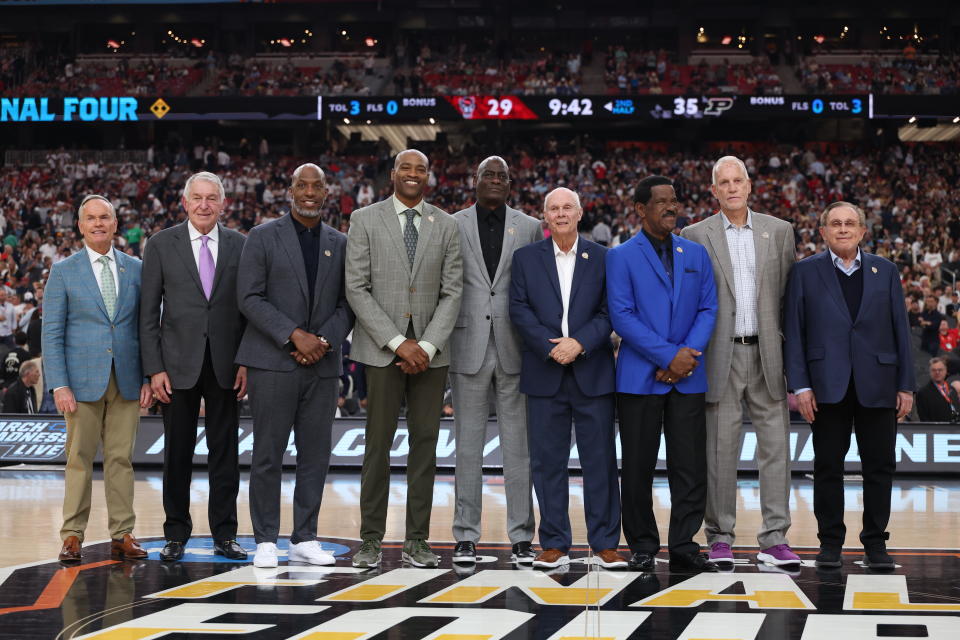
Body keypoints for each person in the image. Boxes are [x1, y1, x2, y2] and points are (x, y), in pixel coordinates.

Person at [345, 149, 463, 569]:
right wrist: (398, 342)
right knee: (376, 448)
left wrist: (426, 347)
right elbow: (356, 288)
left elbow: (453, 292)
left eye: (421, 169)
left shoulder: (447, 225)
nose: (413, 175)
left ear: (428, 176)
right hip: (381, 353)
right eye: (406, 168)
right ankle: (370, 540)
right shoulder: (364, 219)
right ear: (393, 174)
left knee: (425, 449)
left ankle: (417, 540)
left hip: (431, 355)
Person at [679, 156, 799, 567]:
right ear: (713, 190)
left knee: (776, 450)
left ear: (750, 186)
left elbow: (788, 301)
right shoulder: (694, 235)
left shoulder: (780, 232)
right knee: (719, 451)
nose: (731, 188)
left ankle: (775, 537)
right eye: (723, 182)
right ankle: (720, 537)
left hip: (768, 354)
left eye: (738, 181)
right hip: (719, 355)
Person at [784, 201, 914, 570]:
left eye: (850, 223)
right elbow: (794, 332)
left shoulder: (885, 270)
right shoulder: (804, 272)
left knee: (880, 467)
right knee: (827, 466)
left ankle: (875, 543)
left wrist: (905, 385)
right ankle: (830, 543)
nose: (843, 228)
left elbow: (900, 331)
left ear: (862, 231)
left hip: (879, 382)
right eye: (835, 223)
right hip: (825, 387)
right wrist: (801, 386)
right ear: (822, 231)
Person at [237, 163, 355, 568]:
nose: (309, 192)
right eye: (301, 185)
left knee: (315, 454)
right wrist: (293, 335)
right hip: (272, 362)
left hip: (321, 365)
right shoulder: (263, 236)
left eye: (316, 186)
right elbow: (249, 298)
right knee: (267, 453)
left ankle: (305, 536)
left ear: (327, 192)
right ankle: (265, 538)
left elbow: (349, 302)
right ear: (289, 191)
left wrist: (321, 341)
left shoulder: (341, 242)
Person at [510, 187, 625, 570]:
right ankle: (554, 544)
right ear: (545, 216)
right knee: (547, 463)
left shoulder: (604, 258)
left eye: (567, 208)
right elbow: (519, 310)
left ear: (580, 213)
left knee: (601, 462)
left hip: (592, 371)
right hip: (545, 373)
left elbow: (611, 311)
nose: (560, 214)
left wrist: (579, 343)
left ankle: (605, 543)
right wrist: (552, 347)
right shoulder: (525, 259)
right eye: (553, 208)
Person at [606, 176, 718, 572]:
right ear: (640, 209)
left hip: (687, 375)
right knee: (637, 466)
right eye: (661, 202)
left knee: (689, 465)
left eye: (674, 201)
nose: (671, 208)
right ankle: (642, 544)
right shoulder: (619, 256)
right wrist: (671, 356)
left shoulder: (696, 253)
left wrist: (683, 359)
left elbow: (708, 309)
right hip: (641, 376)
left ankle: (685, 544)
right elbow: (622, 316)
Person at [140, 172, 248, 562]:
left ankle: (225, 533)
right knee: (177, 454)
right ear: (184, 203)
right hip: (176, 366)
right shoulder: (160, 244)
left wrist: (245, 362)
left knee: (226, 453)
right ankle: (175, 534)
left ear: (223, 204)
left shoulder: (241, 244)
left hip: (226, 365)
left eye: (212, 198)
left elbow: (248, 310)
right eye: (197, 198)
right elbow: (148, 313)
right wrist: (154, 369)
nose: (204, 205)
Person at [42, 195, 153, 563]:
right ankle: (72, 535)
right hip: (80, 383)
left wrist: (148, 377)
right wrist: (59, 384)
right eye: (90, 218)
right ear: (80, 226)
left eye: (105, 217)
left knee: (122, 459)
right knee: (79, 460)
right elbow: (52, 333)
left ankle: (122, 534)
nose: (98, 223)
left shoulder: (136, 268)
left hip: (126, 379)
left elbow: (145, 328)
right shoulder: (63, 271)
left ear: (116, 223)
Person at [449, 156, 542, 565]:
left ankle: (522, 536)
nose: (494, 180)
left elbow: (540, 288)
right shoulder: (452, 224)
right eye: (487, 174)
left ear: (510, 184)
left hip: (515, 347)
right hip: (466, 345)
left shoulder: (530, 226)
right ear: (475, 180)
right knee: (467, 449)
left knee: (518, 450)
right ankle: (466, 535)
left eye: (502, 176)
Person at [915, 357, 958, 422]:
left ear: (946, 371)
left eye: (940, 370)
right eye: (934, 370)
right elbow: (924, 418)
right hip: (937, 430)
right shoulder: (923, 393)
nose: (937, 372)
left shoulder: (953, 389)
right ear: (930, 372)